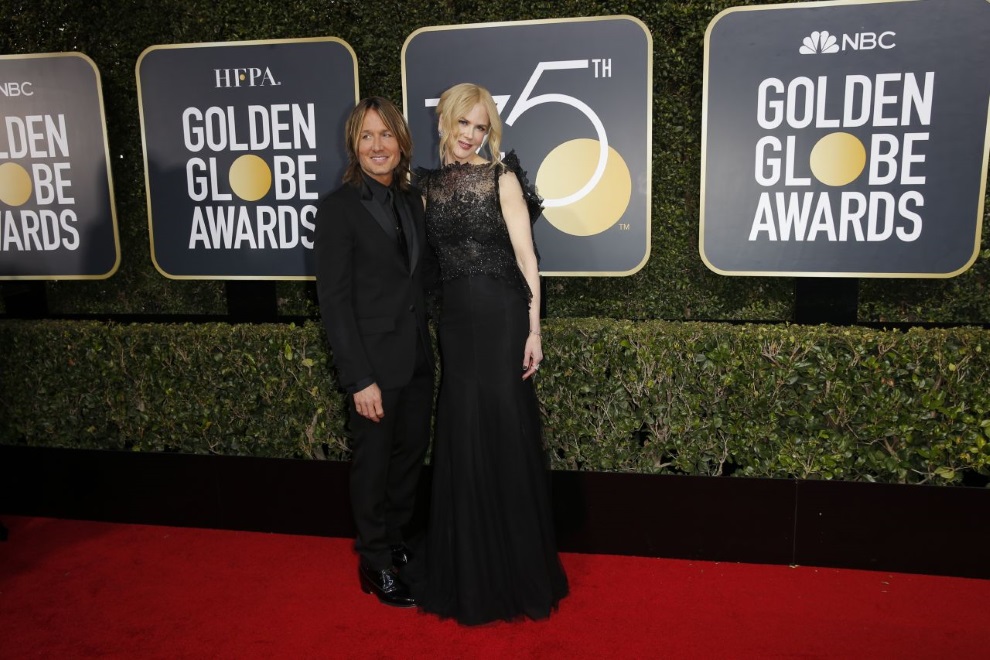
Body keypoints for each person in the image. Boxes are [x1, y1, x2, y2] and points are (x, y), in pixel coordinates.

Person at [413, 82, 569, 624]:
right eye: (464, 123)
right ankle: (468, 571)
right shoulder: (424, 187)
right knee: (460, 427)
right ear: (445, 121)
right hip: (456, 324)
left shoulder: (501, 178)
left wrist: (534, 331)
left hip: (503, 318)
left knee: (503, 426)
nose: (471, 135)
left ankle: (516, 571)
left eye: (480, 127)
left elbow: (528, 259)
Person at [314, 97, 437, 608]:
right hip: (373, 367)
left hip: (416, 358)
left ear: (402, 143)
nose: (377, 145)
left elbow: (420, 281)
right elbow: (334, 303)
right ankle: (374, 562)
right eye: (367, 136)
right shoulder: (338, 209)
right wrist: (358, 378)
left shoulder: (412, 202)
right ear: (354, 145)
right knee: (374, 465)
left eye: (386, 134)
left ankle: (394, 538)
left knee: (409, 456)